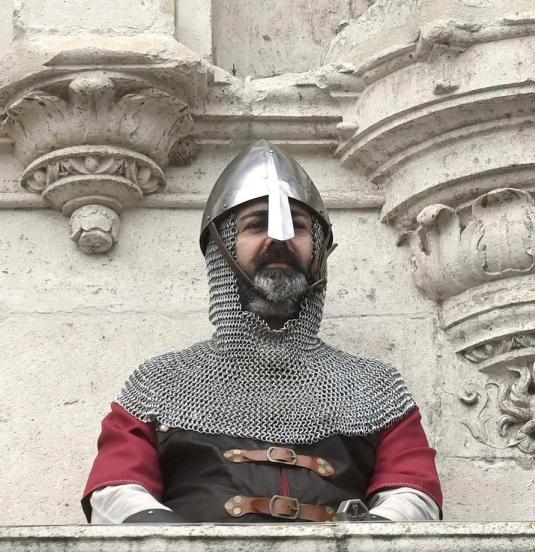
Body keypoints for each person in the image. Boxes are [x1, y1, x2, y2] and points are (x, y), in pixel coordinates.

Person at [83, 141, 442, 523]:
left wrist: (366, 541)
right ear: (223, 250)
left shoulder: (374, 387)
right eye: (256, 224)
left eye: (297, 228)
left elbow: (414, 495)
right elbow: (115, 493)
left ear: (318, 250)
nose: (279, 239)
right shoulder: (160, 384)